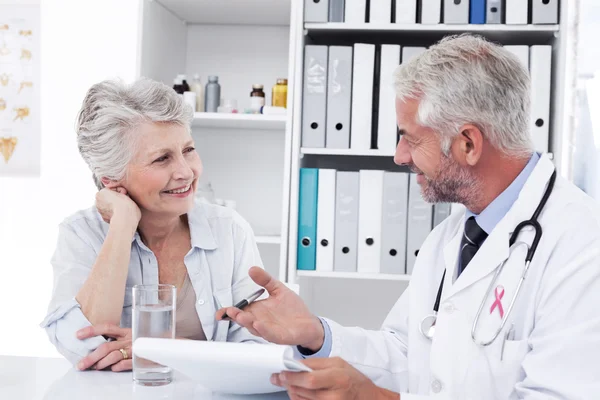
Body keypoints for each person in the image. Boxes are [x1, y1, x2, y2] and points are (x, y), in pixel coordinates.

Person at [217, 35, 600, 399]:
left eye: (411, 139)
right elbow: (408, 354)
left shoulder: (582, 245)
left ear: (468, 143)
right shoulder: (454, 235)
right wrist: (316, 335)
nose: (400, 156)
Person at [41, 78, 265, 372]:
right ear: (110, 178)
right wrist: (122, 226)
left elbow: (260, 346)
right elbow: (83, 347)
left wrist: (164, 350)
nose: (185, 172)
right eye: (162, 159)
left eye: (188, 150)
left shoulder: (229, 230)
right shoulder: (82, 233)